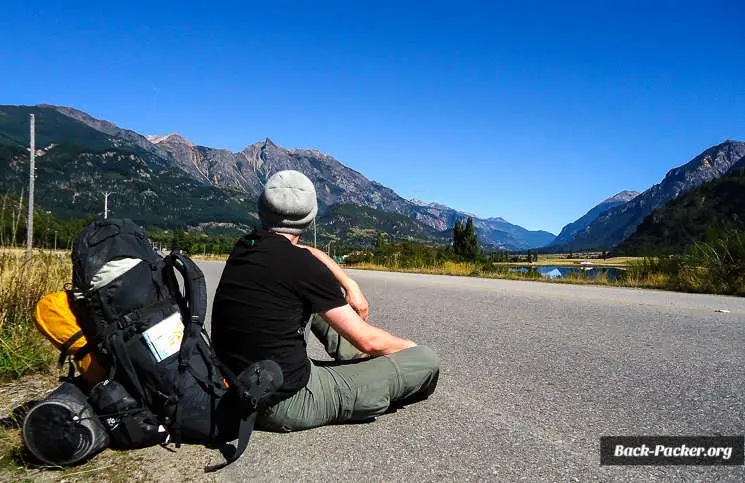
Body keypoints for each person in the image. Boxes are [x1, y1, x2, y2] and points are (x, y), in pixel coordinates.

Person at [211, 170, 440, 432]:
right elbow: (368, 339)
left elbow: (306, 252)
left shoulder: (246, 245)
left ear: (261, 210)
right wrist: (407, 348)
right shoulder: (303, 267)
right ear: (310, 219)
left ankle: (359, 361)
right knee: (426, 359)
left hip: (241, 383)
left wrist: (348, 283)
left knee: (317, 307)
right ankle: (373, 365)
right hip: (287, 402)